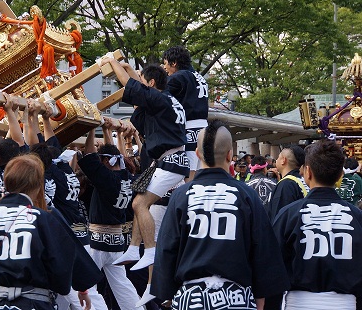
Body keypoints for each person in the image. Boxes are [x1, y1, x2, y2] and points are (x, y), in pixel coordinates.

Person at [151, 120, 290, 310]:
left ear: (198, 154)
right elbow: (263, 251)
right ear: (230, 155)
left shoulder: (182, 195)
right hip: (235, 298)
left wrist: (167, 294)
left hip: (191, 298)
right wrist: (261, 297)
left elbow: (167, 248)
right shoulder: (246, 195)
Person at [0, 154, 102, 310]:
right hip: (35, 302)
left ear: (6, 181)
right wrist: (80, 287)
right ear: (38, 185)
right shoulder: (45, 217)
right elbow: (66, 256)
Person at [102, 59, 189, 276]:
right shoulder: (167, 100)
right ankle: (133, 248)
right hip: (166, 161)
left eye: (142, 83)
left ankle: (149, 250)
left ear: (150, 83)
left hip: (171, 161)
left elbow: (130, 85)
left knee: (140, 204)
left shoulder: (160, 99)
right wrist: (131, 70)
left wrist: (113, 61)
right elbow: (136, 87)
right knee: (138, 200)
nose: (138, 86)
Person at [272, 140, 362, 309]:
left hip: (298, 304)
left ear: (307, 172)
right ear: (340, 176)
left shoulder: (289, 215)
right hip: (347, 304)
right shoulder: (356, 217)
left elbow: (272, 269)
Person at [77, 128, 144, 310]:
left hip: (99, 242)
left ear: (106, 161)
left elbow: (89, 156)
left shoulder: (107, 178)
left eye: (101, 161)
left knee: (87, 283)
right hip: (117, 243)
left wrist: (90, 129)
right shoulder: (126, 177)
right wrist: (108, 133)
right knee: (121, 283)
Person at [162, 46, 209, 180]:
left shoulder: (179, 77)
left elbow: (160, 97)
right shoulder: (199, 77)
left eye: (165, 63)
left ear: (174, 63)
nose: (165, 68)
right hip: (203, 128)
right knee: (201, 170)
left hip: (190, 128)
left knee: (189, 173)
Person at [266, 145, 307, 220]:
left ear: (283, 160)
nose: (276, 160)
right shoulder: (303, 180)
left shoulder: (286, 185)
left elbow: (280, 219)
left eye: (278, 157)